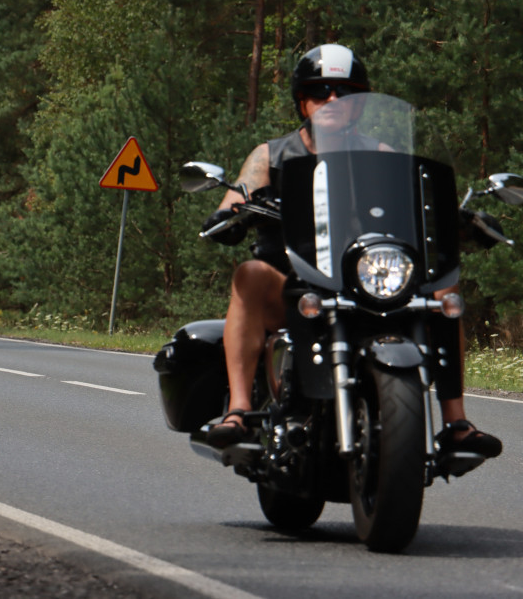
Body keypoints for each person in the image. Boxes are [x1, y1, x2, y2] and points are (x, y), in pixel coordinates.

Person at [204, 43, 502, 460]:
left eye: (345, 93)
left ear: (359, 103)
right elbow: (237, 195)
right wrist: (230, 212)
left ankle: (456, 422)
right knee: (249, 274)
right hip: (293, 283)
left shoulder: (380, 154)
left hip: (364, 279)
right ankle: (238, 410)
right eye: (320, 90)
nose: (332, 100)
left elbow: (418, 199)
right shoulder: (271, 155)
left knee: (442, 292)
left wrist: (464, 218)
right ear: (301, 100)